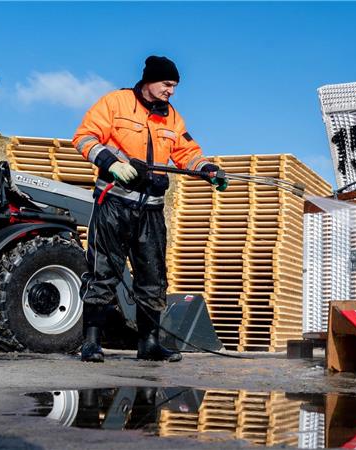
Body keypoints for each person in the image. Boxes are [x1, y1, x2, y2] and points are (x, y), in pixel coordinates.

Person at [73, 55, 228, 363]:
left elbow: (188, 153)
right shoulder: (115, 103)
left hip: (151, 211)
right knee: (102, 273)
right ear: (149, 81)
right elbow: (84, 137)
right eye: (167, 84)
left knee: (152, 278)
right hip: (114, 203)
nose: (171, 91)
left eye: (174, 86)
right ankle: (90, 343)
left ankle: (149, 344)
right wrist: (112, 164)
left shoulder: (172, 118)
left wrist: (208, 169)